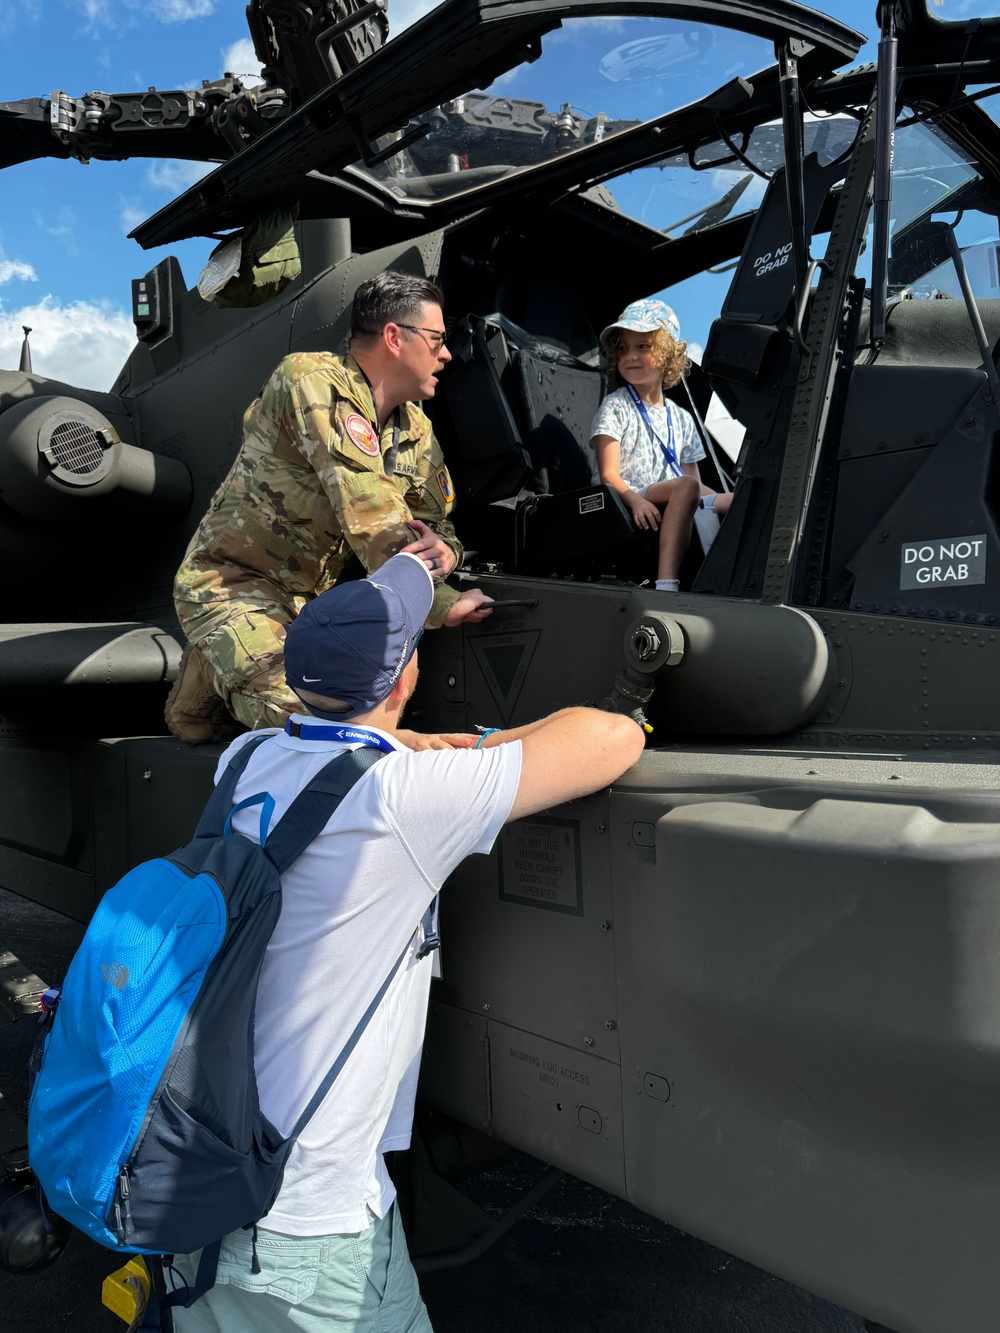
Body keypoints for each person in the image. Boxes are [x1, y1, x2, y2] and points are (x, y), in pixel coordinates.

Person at [169, 551, 645, 1333]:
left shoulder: (244, 757)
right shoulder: (399, 801)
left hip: (197, 1177)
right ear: (401, 683)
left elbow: (333, 752)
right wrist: (476, 742)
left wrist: (415, 745)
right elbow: (612, 737)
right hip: (312, 1219)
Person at [167, 269, 493, 743]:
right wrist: (442, 603)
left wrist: (446, 551)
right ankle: (214, 660)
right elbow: (370, 511)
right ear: (394, 337)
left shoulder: (416, 432)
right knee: (326, 724)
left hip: (309, 610)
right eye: (437, 339)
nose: (446, 354)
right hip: (232, 584)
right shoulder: (312, 379)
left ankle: (216, 667)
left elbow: (437, 525)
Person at [590, 299, 732, 592]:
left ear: (668, 355)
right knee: (685, 489)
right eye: (623, 348)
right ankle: (666, 583)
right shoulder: (615, 406)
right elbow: (609, 475)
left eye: (642, 346)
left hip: (674, 492)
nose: (630, 356)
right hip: (628, 494)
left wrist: (725, 498)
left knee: (740, 499)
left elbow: (693, 482)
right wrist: (636, 501)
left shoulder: (680, 417)